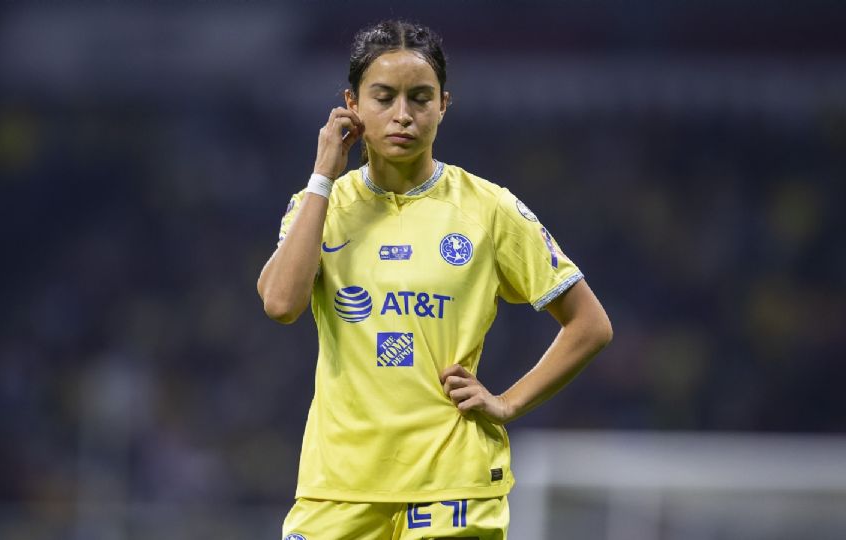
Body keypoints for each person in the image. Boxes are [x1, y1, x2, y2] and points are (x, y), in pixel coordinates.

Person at [257, 19, 612, 540]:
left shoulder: (489, 208)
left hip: (454, 488)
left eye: (419, 98)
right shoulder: (321, 205)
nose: (403, 115)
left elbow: (590, 325)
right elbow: (281, 303)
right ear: (351, 105)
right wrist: (322, 177)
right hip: (339, 485)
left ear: (443, 105)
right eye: (384, 97)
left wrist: (508, 402)